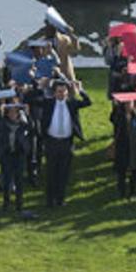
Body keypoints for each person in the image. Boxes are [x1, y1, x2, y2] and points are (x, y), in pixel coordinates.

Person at [37, 79, 92, 208]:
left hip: (67, 143)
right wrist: (40, 87)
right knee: (51, 173)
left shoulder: (72, 103)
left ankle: (60, 199)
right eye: (59, 92)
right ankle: (50, 201)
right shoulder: (49, 103)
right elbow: (32, 99)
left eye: (64, 91)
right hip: (52, 142)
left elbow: (88, 102)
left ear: (67, 92)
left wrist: (80, 90)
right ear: (54, 93)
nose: (61, 94)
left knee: (64, 173)